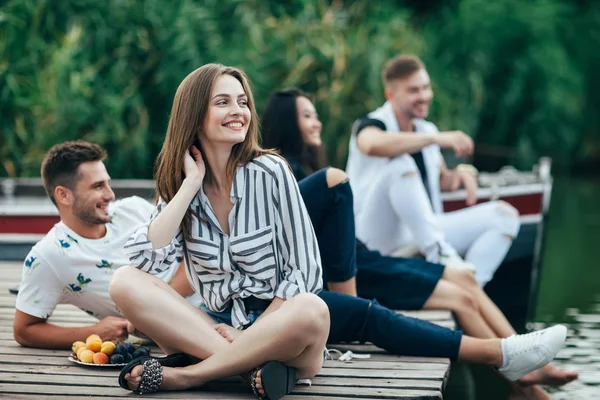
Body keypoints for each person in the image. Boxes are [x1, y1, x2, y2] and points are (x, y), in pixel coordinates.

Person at [259, 88, 577, 394]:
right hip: (360, 268)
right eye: (307, 116)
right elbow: (368, 147)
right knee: (460, 298)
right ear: (287, 122)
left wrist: (457, 173)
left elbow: (437, 175)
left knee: (465, 280)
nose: (318, 122)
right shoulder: (297, 167)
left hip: (366, 258)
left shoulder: (303, 169)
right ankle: (525, 379)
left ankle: (521, 362)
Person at [109, 64, 329, 399]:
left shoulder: (271, 172)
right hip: (211, 326)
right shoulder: (179, 185)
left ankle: (190, 375)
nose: (238, 111)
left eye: (242, 102)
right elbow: (146, 261)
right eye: (223, 102)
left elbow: (306, 269)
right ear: (195, 116)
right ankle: (250, 371)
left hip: (281, 326)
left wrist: (253, 335)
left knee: (313, 308)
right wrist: (189, 186)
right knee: (123, 281)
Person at [346, 54, 521, 287]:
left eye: (426, 88)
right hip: (374, 237)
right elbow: (371, 144)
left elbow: (441, 181)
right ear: (391, 95)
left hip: (422, 231)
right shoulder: (372, 124)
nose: (424, 96)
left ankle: (469, 292)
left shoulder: (425, 129)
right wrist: (436, 138)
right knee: (400, 163)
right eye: (414, 91)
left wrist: (461, 173)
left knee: (505, 217)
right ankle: (439, 254)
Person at [13, 140, 199, 349]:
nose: (110, 195)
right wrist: (93, 332)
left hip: (219, 292)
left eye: (107, 183)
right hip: (183, 333)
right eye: (98, 186)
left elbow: (195, 253)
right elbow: (24, 330)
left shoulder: (134, 208)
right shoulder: (48, 257)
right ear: (63, 195)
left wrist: (158, 304)